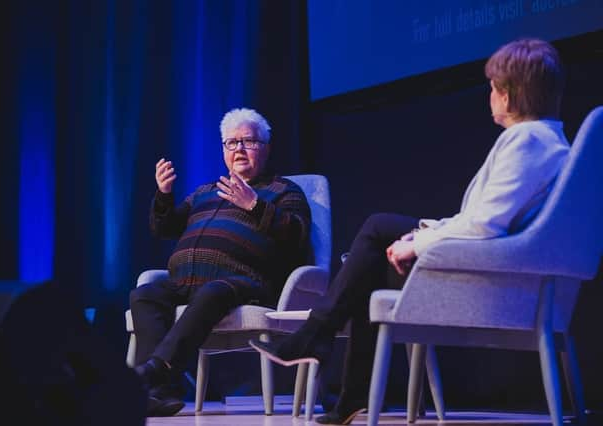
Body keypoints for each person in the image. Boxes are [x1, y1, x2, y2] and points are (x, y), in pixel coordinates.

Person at [250, 38, 569, 425]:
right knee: (376, 245)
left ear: (509, 93)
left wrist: (418, 244)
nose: (489, 95)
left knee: (374, 240)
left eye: (492, 87)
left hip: (487, 282)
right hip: (496, 270)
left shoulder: (528, 140)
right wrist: (422, 232)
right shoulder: (550, 140)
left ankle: (323, 348)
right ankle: (342, 380)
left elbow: (486, 225)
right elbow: (485, 217)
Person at [130, 107, 311, 416]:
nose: (239, 148)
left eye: (248, 141)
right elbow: (165, 228)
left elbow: (297, 234)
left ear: (265, 149)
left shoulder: (283, 190)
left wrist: (253, 205)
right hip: (185, 281)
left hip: (243, 281)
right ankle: (159, 392)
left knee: (213, 291)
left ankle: (155, 371)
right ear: (224, 151)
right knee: (144, 294)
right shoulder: (205, 192)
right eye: (231, 142)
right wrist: (164, 194)